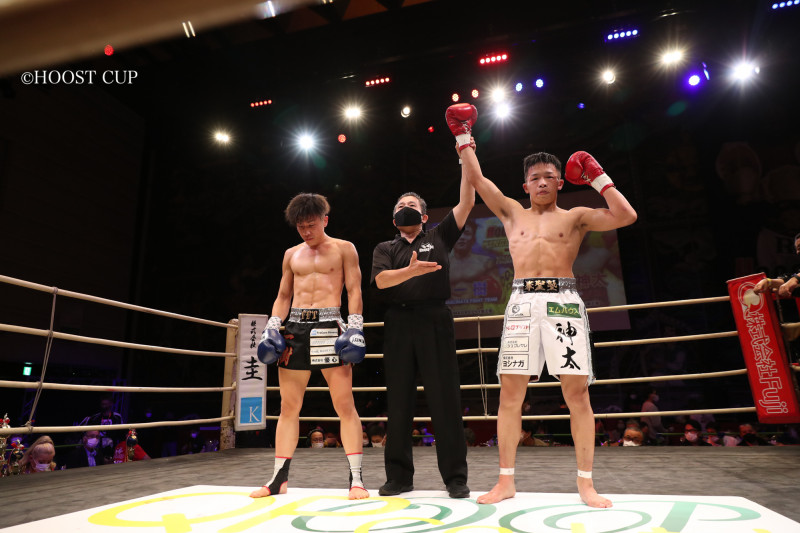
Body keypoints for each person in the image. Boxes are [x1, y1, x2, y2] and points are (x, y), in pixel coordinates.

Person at [449, 102, 637, 507]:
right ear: (525, 185)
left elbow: (626, 215)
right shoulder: (511, 213)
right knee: (510, 395)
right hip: (521, 303)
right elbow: (477, 178)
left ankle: (586, 484)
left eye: (550, 177)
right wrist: (463, 136)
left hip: (563, 301)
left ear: (561, 183)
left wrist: (598, 176)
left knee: (578, 395)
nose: (542, 183)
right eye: (535, 178)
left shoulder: (576, 216)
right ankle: (505, 482)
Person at [370, 124, 478, 499]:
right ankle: (399, 477)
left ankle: (455, 477)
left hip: (435, 320)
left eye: (412, 206)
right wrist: (411, 271)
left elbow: (467, 200)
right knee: (398, 401)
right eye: (400, 207)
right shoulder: (384, 248)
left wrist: (465, 154)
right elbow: (381, 282)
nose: (406, 209)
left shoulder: (440, 235)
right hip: (398, 322)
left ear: (425, 215)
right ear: (393, 219)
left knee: (445, 398)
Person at [250, 193, 368, 501]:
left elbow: (354, 289)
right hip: (295, 329)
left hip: (330, 326)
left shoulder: (344, 249)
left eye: (311, 225)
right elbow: (283, 296)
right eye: (301, 226)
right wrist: (273, 326)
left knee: (344, 405)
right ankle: (278, 479)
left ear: (325, 220)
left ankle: (356, 479)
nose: (306, 231)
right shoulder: (291, 254)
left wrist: (355, 326)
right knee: (288, 407)